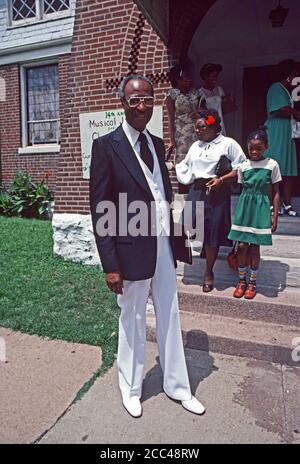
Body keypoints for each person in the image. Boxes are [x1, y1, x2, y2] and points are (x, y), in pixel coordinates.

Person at [89, 75, 205, 418]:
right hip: (128, 248)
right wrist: (110, 264)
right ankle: (131, 387)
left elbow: (161, 193)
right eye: (134, 100)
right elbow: (101, 207)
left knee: (170, 314)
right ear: (122, 104)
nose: (141, 106)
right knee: (133, 318)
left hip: (163, 245)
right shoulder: (106, 146)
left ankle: (177, 386)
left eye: (146, 99)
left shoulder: (156, 142)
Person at [175, 109, 246, 292]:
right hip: (198, 190)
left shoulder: (228, 143)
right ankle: (202, 247)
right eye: (196, 128)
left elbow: (242, 167)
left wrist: (222, 180)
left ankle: (208, 272)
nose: (197, 131)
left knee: (213, 233)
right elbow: (187, 167)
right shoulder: (195, 146)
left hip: (218, 191)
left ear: (213, 126)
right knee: (185, 224)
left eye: (201, 127)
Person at [228, 127, 282, 299]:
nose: (254, 151)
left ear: (266, 147)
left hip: (261, 208)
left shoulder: (272, 165)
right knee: (242, 246)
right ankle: (241, 280)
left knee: (254, 247)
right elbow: (243, 189)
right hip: (245, 208)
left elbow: (276, 192)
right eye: (251, 148)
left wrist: (275, 216)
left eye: (258, 148)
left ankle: (252, 282)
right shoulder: (243, 166)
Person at [265, 59, 300, 217]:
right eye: (295, 74)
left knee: (288, 169)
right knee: (275, 168)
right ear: (288, 75)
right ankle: (273, 203)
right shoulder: (275, 88)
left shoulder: (287, 91)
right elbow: (281, 109)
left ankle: (287, 204)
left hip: (287, 132)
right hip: (276, 131)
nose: (297, 77)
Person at [165, 64, 202, 193]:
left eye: (189, 77)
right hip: (181, 135)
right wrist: (171, 139)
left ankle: (197, 191)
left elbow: (203, 109)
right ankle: (184, 192)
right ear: (177, 79)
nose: (188, 80)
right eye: (185, 77)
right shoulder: (172, 95)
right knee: (182, 164)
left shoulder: (196, 93)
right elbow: (170, 118)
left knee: (197, 160)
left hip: (197, 133)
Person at [198, 63, 235, 136]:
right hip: (208, 123)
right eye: (213, 76)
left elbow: (225, 108)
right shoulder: (200, 92)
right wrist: (210, 123)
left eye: (216, 76)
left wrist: (230, 100)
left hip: (220, 122)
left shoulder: (219, 89)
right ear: (206, 77)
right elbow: (201, 112)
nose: (216, 79)